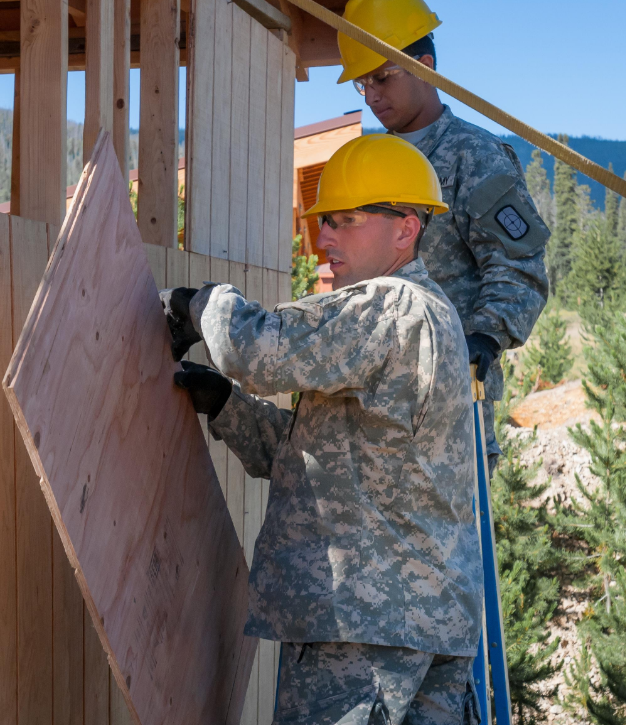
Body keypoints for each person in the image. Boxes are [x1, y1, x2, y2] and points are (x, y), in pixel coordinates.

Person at [160, 134, 482, 725]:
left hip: (364, 626)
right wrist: (227, 406)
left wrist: (201, 303)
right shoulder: (427, 318)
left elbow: (260, 350)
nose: (322, 238)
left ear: (405, 228)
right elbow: (332, 459)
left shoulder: (393, 305)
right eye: (322, 222)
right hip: (417, 624)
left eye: (343, 221)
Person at [338, 0, 551, 470]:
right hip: (370, 402)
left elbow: (520, 267)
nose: (371, 95)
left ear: (424, 65)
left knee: (454, 544)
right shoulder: (366, 163)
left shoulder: (476, 157)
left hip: (450, 407)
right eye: (361, 83)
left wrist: (483, 339)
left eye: (382, 77)